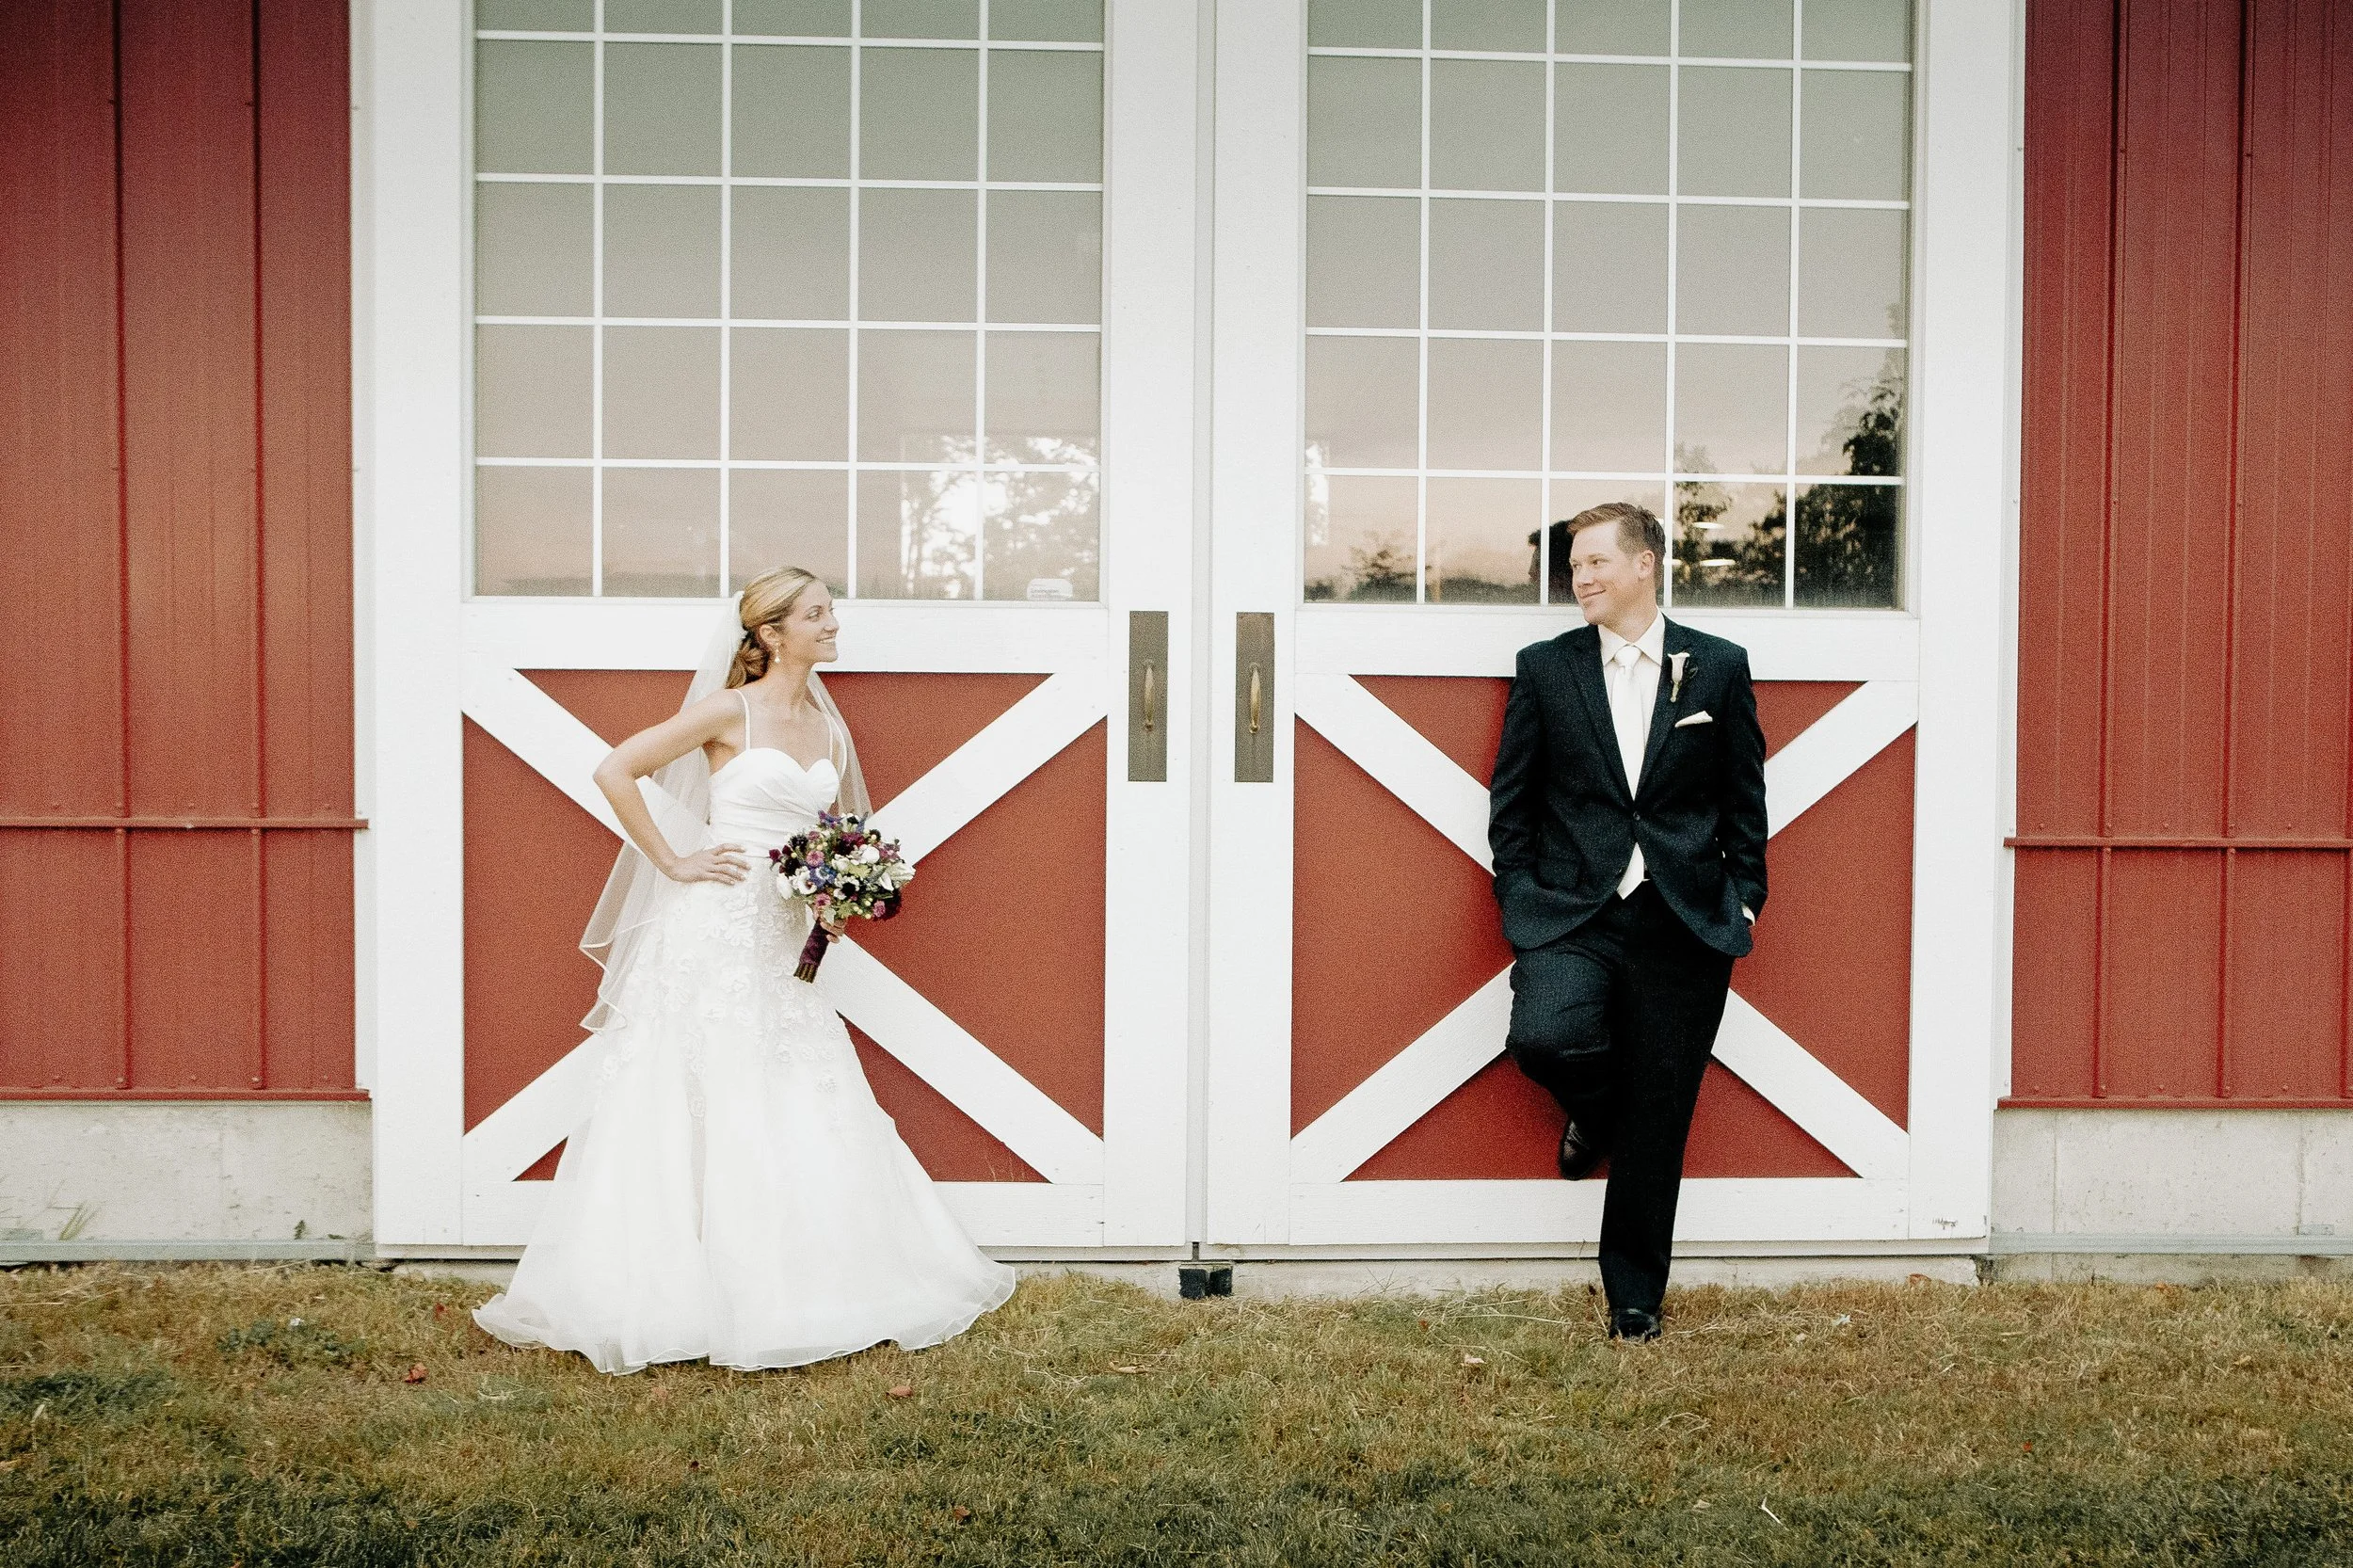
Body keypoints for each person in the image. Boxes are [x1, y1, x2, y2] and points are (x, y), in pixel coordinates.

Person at [474, 566, 1016, 1373]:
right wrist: (674, 860)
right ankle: (672, 1289)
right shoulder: (729, 711)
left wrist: (841, 889)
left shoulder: (830, 729)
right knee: (698, 1082)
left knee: (792, 1078)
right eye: (817, 614)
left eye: (831, 612)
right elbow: (615, 769)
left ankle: (806, 1278)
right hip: (714, 930)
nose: (834, 625)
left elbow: (835, 829)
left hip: (781, 935)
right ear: (769, 634)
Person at [1486, 503, 1768, 1342]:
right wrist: (1521, 895)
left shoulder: (1716, 667)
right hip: (1575, 913)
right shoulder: (1545, 668)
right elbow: (1513, 804)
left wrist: (1745, 895)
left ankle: (1635, 1302)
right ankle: (1598, 1113)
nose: (1584, 578)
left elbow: (1743, 798)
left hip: (1684, 917)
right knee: (1543, 1036)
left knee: (1663, 1114)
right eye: (1575, 566)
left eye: (1599, 562)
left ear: (1645, 565)